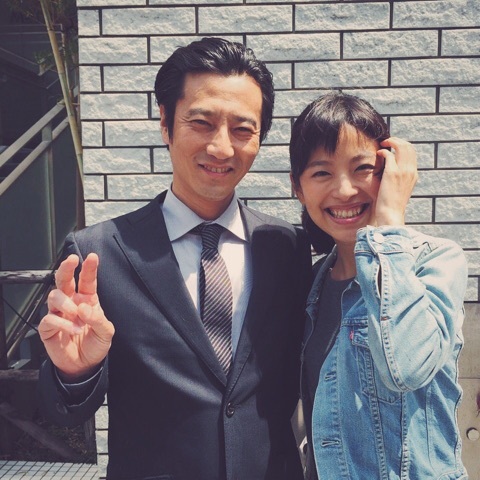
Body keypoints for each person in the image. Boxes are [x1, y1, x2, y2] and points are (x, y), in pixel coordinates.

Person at [38, 37, 312, 480]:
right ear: (165, 122)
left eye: (243, 129)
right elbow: (64, 412)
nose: (221, 148)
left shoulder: (288, 249)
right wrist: (75, 371)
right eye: (201, 122)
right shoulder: (98, 254)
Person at [289, 92, 468, 479]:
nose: (344, 190)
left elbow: (405, 369)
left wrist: (388, 221)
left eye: (363, 169)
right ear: (298, 188)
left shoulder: (435, 262)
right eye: (321, 173)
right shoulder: (313, 283)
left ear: (389, 173)